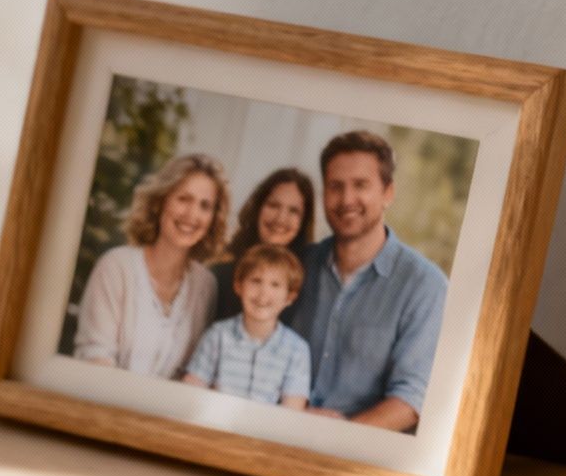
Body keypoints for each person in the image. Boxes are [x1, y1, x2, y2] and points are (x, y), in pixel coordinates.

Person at [286, 130, 448, 432]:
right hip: (280, 433)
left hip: (356, 454)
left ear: (388, 192)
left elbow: (410, 400)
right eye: (336, 186)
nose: (347, 199)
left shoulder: (425, 285)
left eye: (361, 185)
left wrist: (334, 439)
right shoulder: (297, 266)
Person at [72, 154, 228, 378]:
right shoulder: (116, 267)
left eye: (205, 206)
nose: (192, 214)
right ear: (160, 202)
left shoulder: (206, 286)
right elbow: (94, 354)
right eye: (184, 199)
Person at [183, 244, 310, 409]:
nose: (263, 293)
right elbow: (191, 390)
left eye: (275, 285)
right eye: (256, 281)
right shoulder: (217, 336)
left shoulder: (297, 350)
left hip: (264, 432)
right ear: (239, 286)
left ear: (289, 297)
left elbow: (292, 410)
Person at [209, 167, 314, 322]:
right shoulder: (220, 270)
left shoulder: (306, 283)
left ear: (303, 222)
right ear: (258, 208)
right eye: (273, 205)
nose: (280, 218)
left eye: (293, 211)